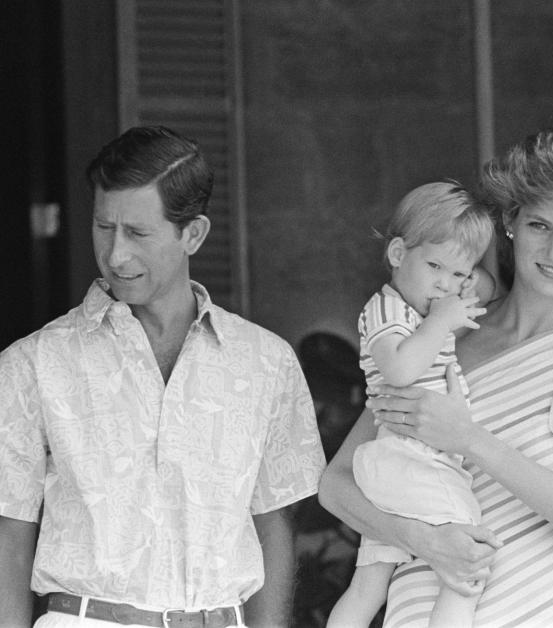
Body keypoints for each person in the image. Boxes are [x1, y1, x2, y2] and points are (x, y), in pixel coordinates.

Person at [318, 119, 553, 627]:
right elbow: (336, 484)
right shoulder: (444, 331)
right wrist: (423, 540)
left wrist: (467, 438)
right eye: (540, 225)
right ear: (512, 221)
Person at [0, 125, 326, 627]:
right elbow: (10, 534)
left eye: (138, 233)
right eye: (103, 227)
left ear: (192, 233)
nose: (115, 255)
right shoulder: (35, 363)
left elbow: (274, 524)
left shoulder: (266, 362)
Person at [327, 182, 495, 628]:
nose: (446, 284)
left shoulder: (418, 316)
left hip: (400, 463)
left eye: (459, 274)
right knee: (469, 565)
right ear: (399, 254)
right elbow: (399, 370)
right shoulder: (387, 311)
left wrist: (446, 311)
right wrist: (441, 320)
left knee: (368, 586)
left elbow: (484, 289)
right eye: (434, 265)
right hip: (411, 459)